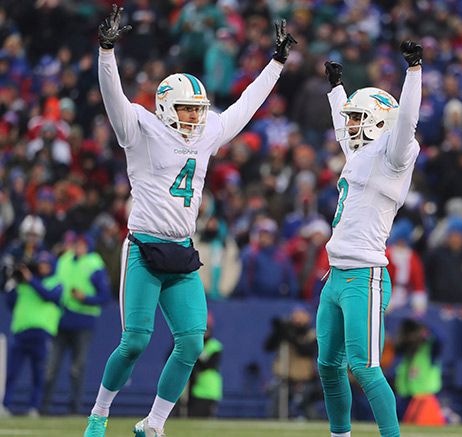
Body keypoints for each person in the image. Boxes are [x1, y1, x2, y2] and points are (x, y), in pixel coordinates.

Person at [83, 6, 296, 437]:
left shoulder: (207, 132)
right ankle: (99, 415)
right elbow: (113, 98)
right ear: (164, 106)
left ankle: (154, 424)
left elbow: (246, 106)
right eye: (185, 109)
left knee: (192, 343)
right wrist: (106, 51)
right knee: (135, 342)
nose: (194, 118)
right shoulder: (139, 129)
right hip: (143, 247)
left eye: (198, 110)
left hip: (181, 251)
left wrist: (276, 64)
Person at [317, 40, 423, 437]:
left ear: (381, 121)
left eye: (360, 118)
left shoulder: (395, 155)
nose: (352, 125)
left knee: (365, 366)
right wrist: (336, 90)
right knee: (328, 365)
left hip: (365, 275)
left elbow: (406, 120)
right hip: (336, 275)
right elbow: (342, 131)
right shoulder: (361, 153)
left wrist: (413, 72)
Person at [42, 232, 111, 415]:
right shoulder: (64, 260)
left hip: (83, 322)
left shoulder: (94, 264)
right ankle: (43, 408)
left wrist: (85, 298)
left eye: (81, 244)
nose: (77, 248)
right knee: (51, 367)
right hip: (62, 320)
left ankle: (75, 410)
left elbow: (105, 295)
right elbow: (54, 282)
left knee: (76, 369)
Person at [1, 251, 62, 417]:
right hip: (21, 331)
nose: (42, 267)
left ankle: (34, 408)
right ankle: (5, 405)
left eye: (46, 264)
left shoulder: (55, 282)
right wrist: (11, 282)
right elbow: (11, 301)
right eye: (40, 264)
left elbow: (48, 295)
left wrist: (31, 279)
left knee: (38, 373)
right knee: (12, 372)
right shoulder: (24, 283)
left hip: (41, 333)